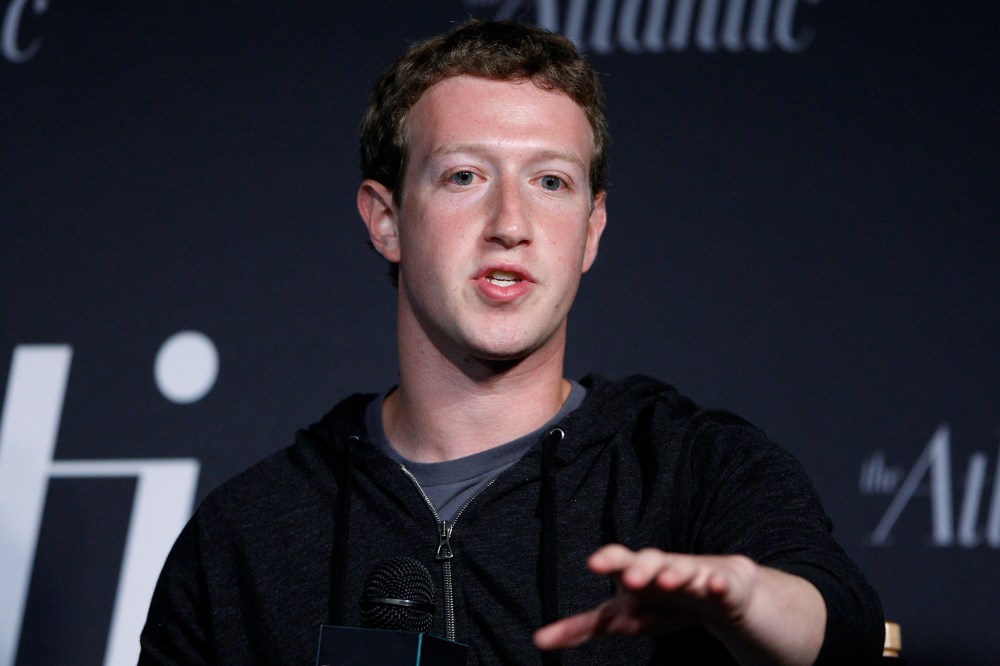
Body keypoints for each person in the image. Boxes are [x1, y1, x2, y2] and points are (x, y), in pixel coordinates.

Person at [139, 19, 884, 665]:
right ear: (386, 219)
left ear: (591, 230)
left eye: (550, 182)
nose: (510, 222)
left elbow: (837, 620)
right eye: (464, 176)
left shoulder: (690, 470)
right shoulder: (246, 536)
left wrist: (748, 599)